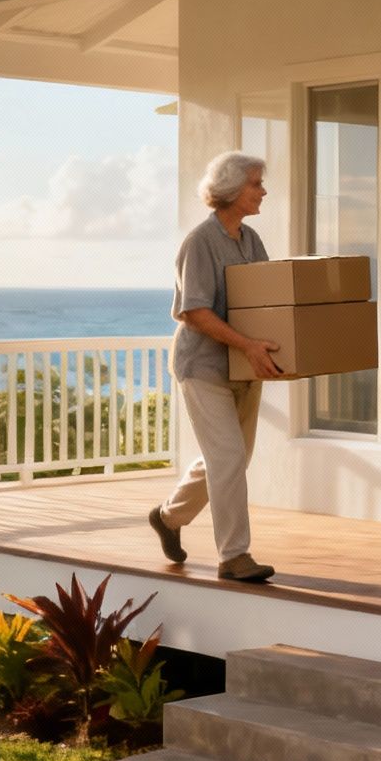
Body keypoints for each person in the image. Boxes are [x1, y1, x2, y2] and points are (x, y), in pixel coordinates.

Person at [148, 151, 286, 583]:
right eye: (256, 184)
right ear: (231, 190)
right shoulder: (200, 242)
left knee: (229, 459)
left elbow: (265, 299)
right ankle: (234, 556)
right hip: (203, 366)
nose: (263, 191)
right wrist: (248, 345)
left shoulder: (251, 240)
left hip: (244, 366)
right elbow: (194, 312)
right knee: (227, 457)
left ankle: (168, 518)